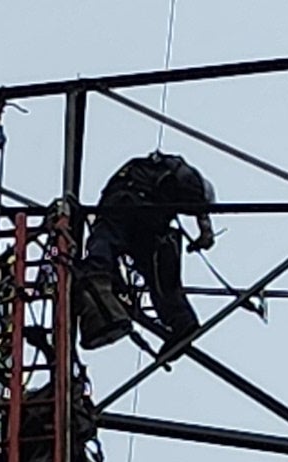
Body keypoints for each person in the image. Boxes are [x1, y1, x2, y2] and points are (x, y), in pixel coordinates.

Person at [77, 150, 216, 360]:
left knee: (108, 242)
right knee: (157, 269)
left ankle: (102, 290)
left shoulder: (164, 170)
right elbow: (198, 203)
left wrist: (205, 231)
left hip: (127, 207)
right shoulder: (182, 174)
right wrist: (205, 232)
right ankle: (181, 321)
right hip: (134, 208)